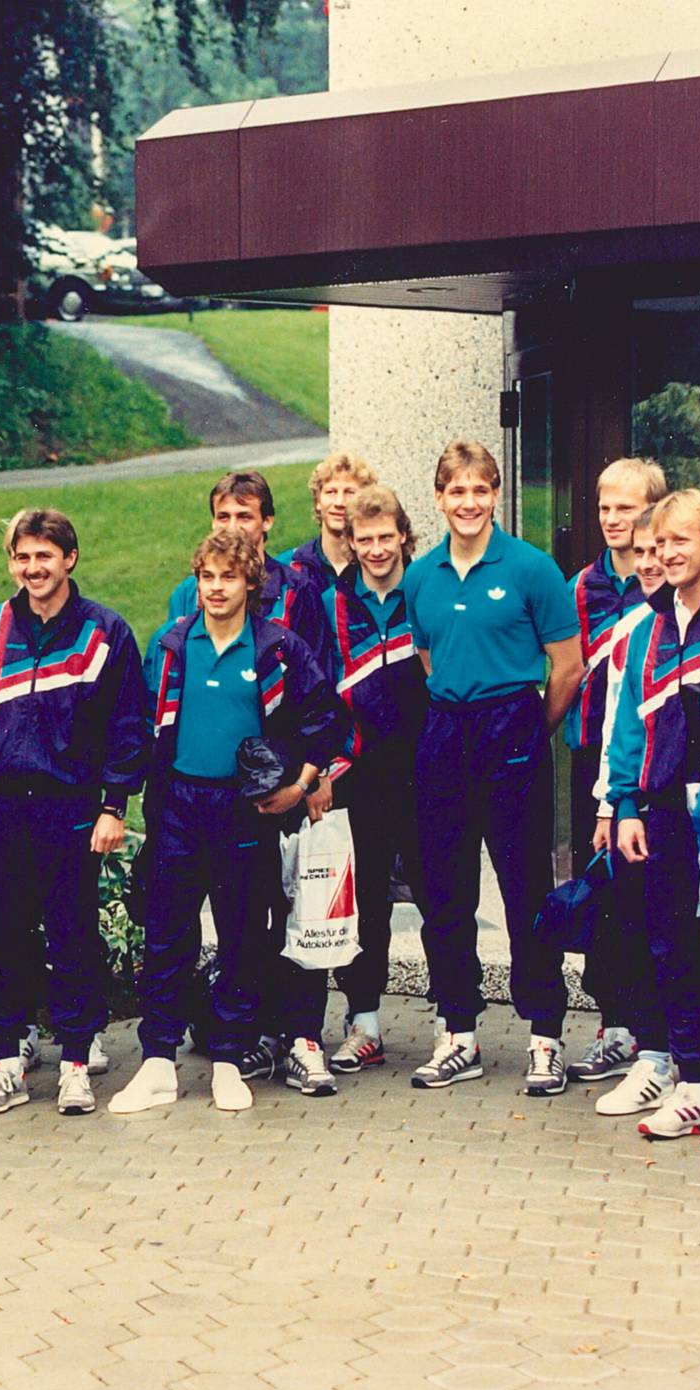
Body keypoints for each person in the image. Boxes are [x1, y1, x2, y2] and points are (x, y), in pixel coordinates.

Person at [112, 530, 346, 1114]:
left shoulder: (278, 649)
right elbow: (137, 729)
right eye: (207, 577)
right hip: (179, 808)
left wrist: (299, 785)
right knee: (168, 936)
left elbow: (325, 719)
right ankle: (157, 1062)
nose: (216, 589)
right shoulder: (169, 646)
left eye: (228, 577)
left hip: (242, 810)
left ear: (250, 583)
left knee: (242, 935)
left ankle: (228, 1061)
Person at [0, 508, 149, 1117]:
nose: (33, 569)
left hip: (72, 807)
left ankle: (77, 1062)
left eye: (44, 556)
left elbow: (127, 725)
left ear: (69, 559)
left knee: (73, 934)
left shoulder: (105, 632)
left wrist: (114, 804)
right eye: (22, 557)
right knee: (1, 935)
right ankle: (6, 1062)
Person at [402, 440, 583, 1094]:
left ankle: (544, 1035)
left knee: (525, 888)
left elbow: (567, 666)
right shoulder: (420, 577)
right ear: (440, 497)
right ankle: (459, 1031)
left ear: (496, 494)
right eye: (457, 491)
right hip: (446, 731)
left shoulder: (533, 570)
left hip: (514, 727)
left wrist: (533, 728)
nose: (469, 502)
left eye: (481, 490)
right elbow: (430, 658)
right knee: (445, 891)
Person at [596, 492, 700, 1139]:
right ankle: (692, 1079)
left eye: (682, 541)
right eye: (660, 543)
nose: (668, 553)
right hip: (663, 811)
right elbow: (627, 730)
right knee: (672, 943)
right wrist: (626, 803)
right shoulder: (647, 627)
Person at [313, 487, 431, 1078]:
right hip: (361, 776)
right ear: (350, 543)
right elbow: (321, 698)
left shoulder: (428, 591)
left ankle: (452, 1024)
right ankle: (365, 1023)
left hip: (428, 770)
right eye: (365, 540)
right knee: (366, 906)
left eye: (387, 537)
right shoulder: (331, 605)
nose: (377, 548)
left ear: (404, 537)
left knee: (440, 896)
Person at [563, 457, 666, 1084]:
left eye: (625, 507)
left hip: (649, 766)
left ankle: (658, 1030)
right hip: (592, 765)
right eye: (604, 507)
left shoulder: (668, 582)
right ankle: (613, 1024)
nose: (612, 519)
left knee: (649, 898)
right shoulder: (583, 587)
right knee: (601, 895)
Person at [163, 471, 325, 650]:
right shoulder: (188, 594)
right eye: (223, 517)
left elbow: (313, 669)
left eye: (244, 517)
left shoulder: (296, 591)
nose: (232, 527)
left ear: (267, 522)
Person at [283, 452, 378, 594]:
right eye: (331, 492)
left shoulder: (378, 564)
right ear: (317, 501)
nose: (339, 502)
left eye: (350, 492)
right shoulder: (289, 566)